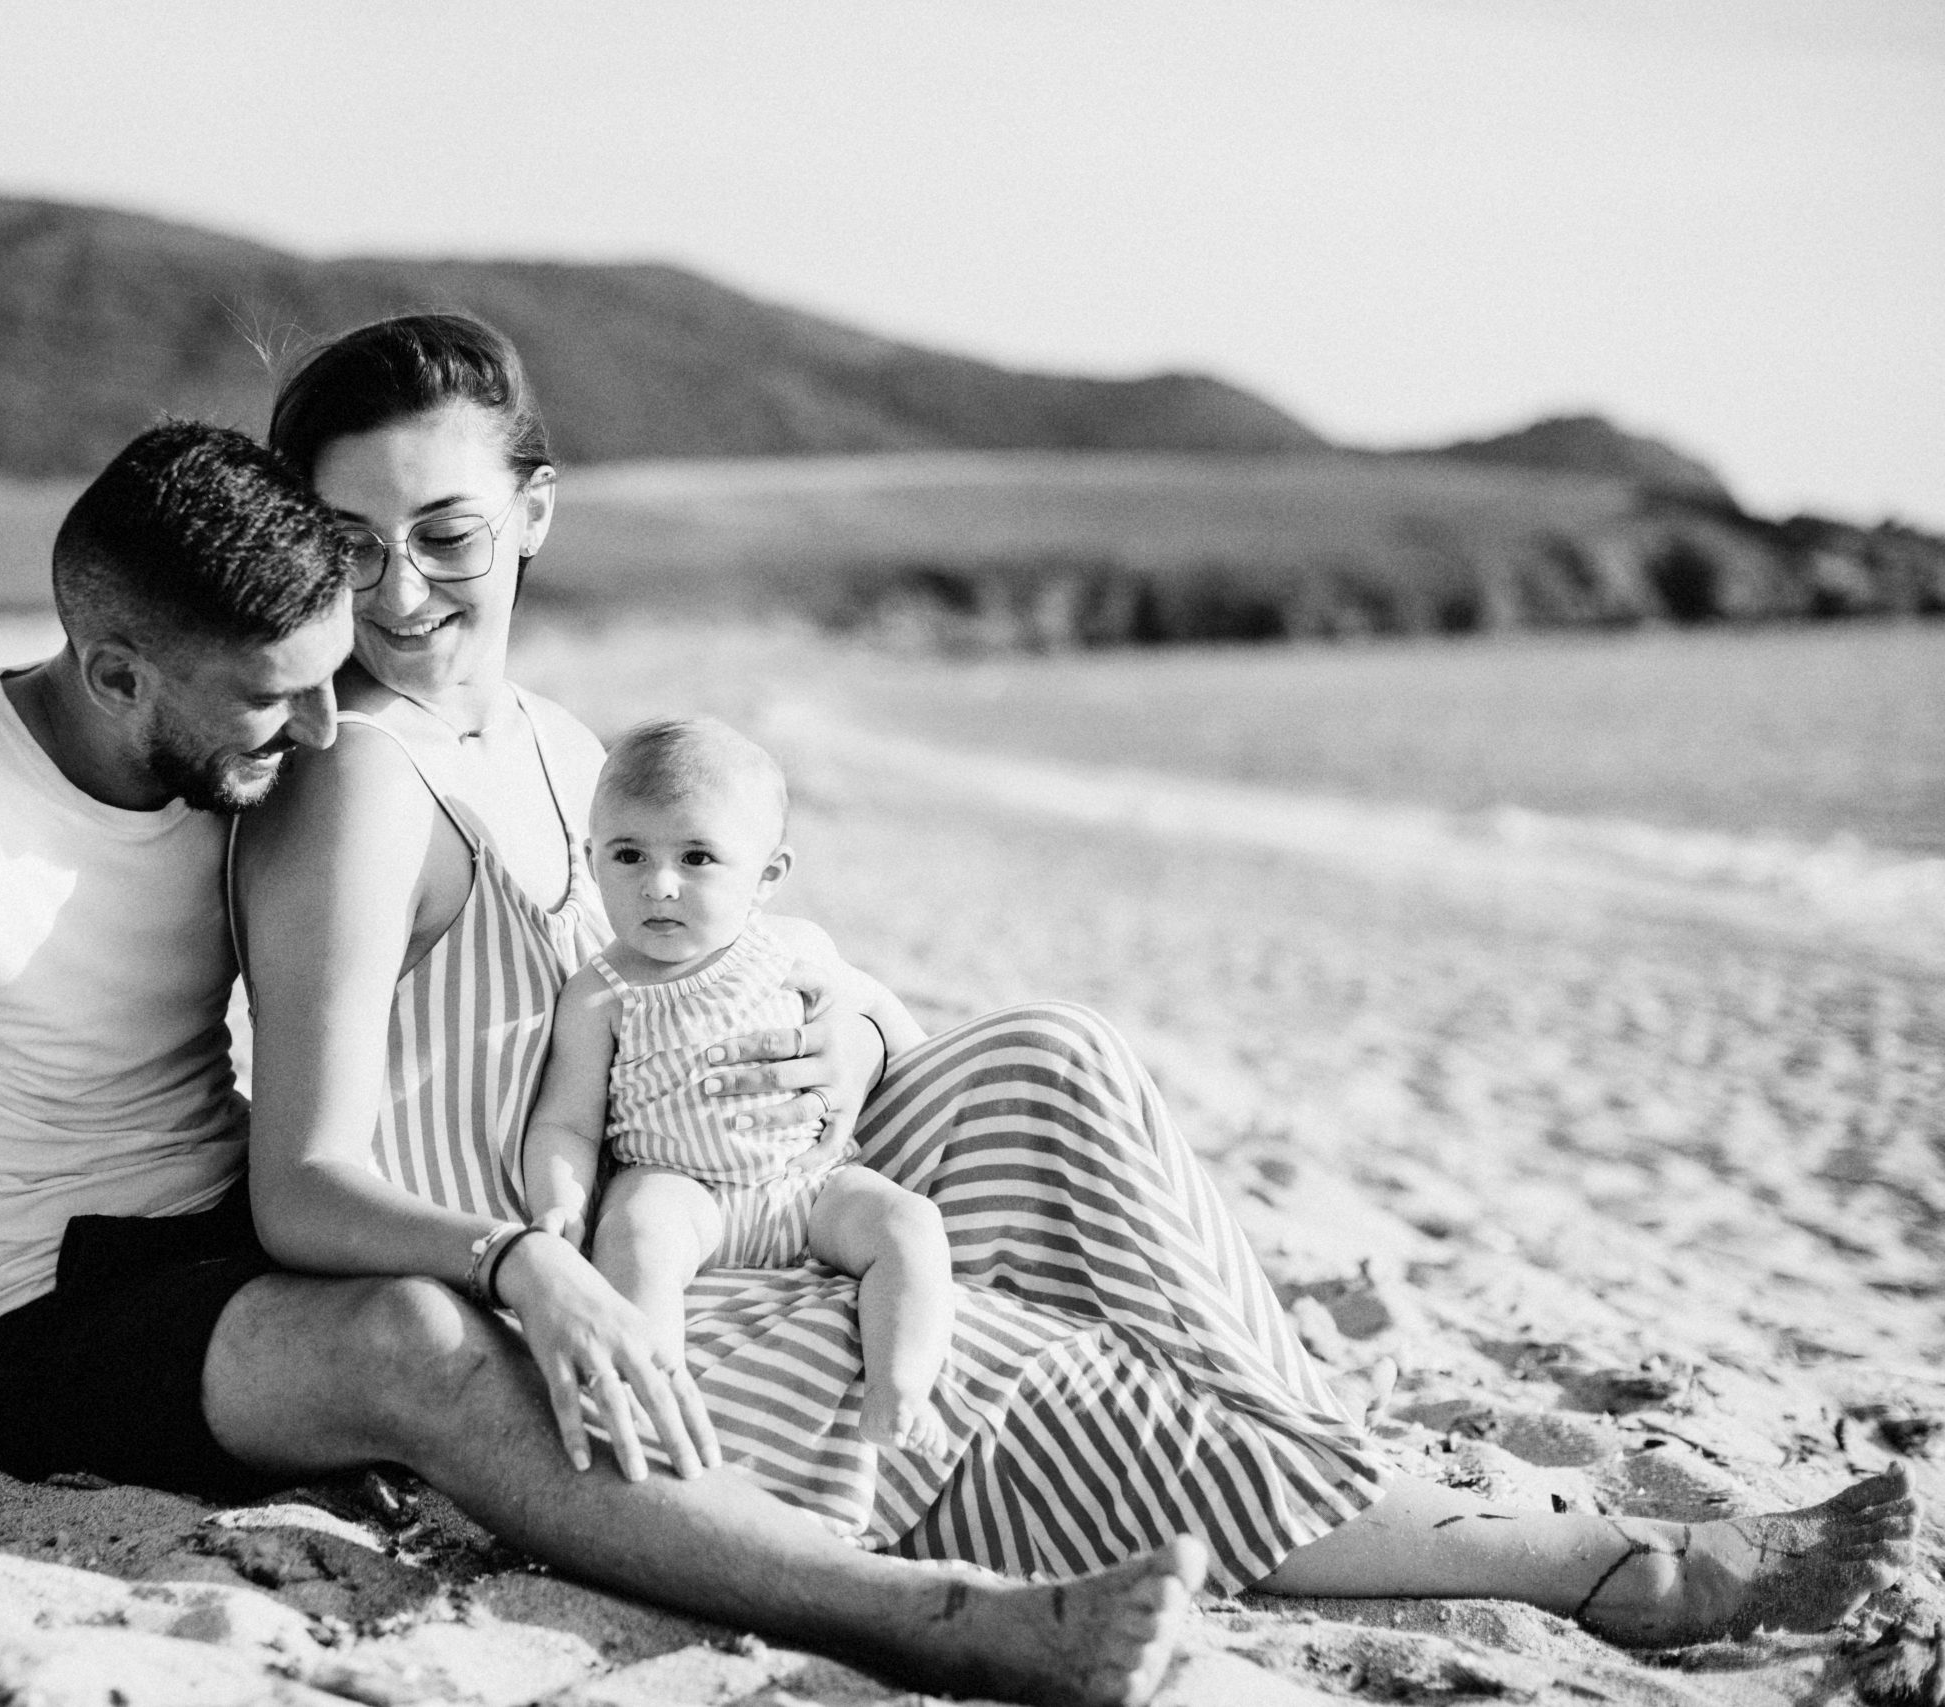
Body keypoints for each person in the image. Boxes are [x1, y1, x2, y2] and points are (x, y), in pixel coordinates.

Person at [235, 309, 1918, 1655]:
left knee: (1048, 1054)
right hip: (588, 1302)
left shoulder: (554, 745)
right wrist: (542, 1266)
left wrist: (839, 1016)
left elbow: (668, 958)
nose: (398, 590)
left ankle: (1310, 1446)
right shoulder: (361, 780)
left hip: (714, 1172)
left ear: (533, 509)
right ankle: (1585, 1562)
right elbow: (302, 1185)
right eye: (352, 541)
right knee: (1005, 1353)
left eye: (444, 533)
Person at [0, 418, 1205, 1707]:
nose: (317, 739)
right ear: (117, 666)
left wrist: (808, 991)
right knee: (421, 1338)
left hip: (240, 1240)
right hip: (47, 1323)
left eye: (326, 686)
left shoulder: (229, 756)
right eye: (274, 703)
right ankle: (946, 1621)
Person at [522, 716, 956, 1459]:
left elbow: (883, 1032)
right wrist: (559, 1202)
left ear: (768, 874)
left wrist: (858, 1031)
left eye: (697, 857)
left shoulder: (798, 948)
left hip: (806, 1184)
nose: (660, 885)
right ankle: (648, 1391)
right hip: (681, 1187)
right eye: (629, 855)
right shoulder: (600, 993)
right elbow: (568, 1121)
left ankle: (900, 1385)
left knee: (909, 1224)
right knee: (637, 1234)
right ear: (593, 860)